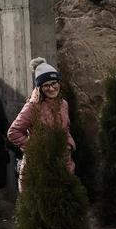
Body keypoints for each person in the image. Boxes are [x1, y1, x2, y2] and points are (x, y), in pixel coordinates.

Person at [8, 58, 75, 192]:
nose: (51, 88)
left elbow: (65, 128)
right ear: (40, 88)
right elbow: (13, 132)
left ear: (59, 83)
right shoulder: (32, 107)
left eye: (54, 83)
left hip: (61, 161)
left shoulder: (64, 104)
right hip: (38, 166)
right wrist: (35, 149)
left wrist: (68, 144)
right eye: (46, 85)